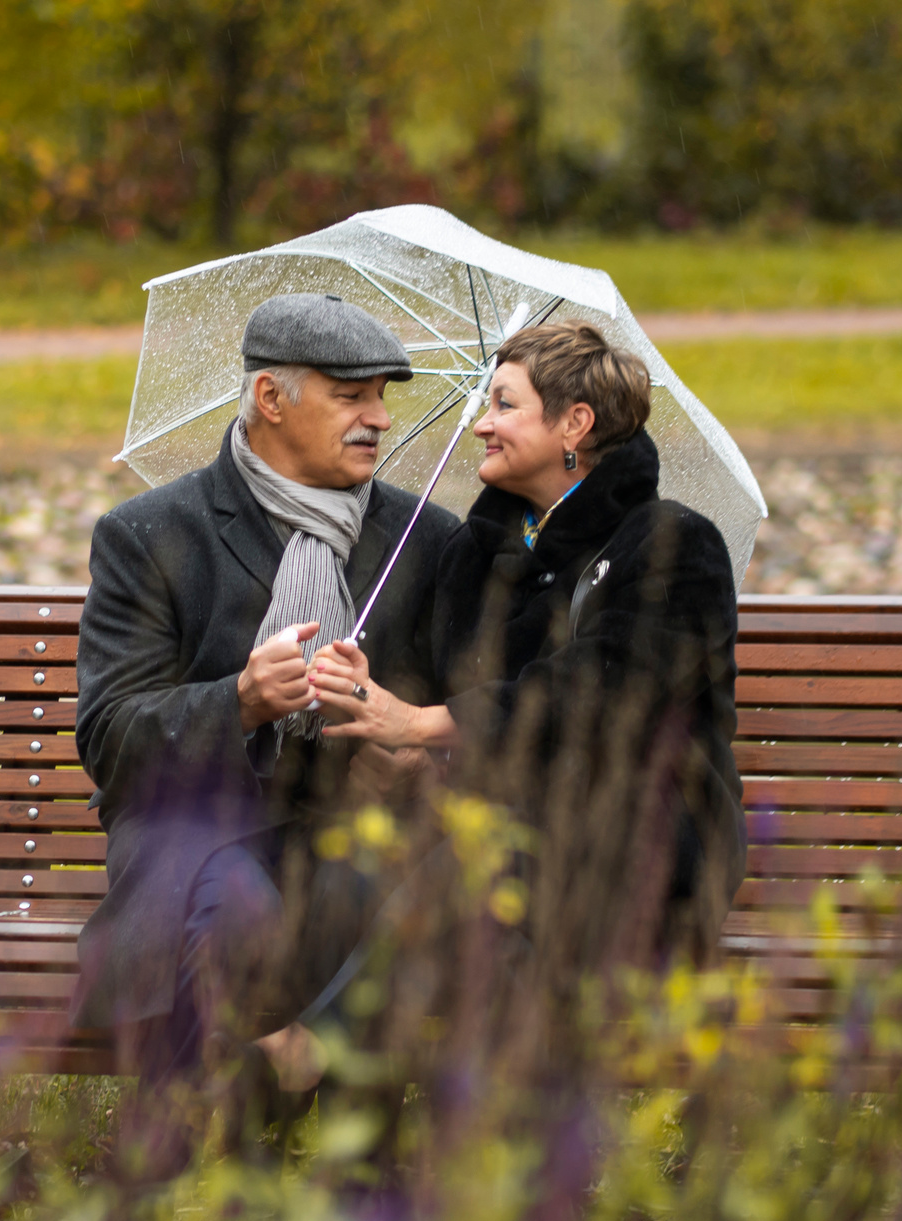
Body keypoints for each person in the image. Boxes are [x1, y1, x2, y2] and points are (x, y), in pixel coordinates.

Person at [71, 293, 460, 1113]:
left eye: (384, 396)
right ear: (270, 399)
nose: (379, 419)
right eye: (352, 396)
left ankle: (321, 1153)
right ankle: (208, 1139)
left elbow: (466, 711)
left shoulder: (425, 541)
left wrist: (407, 749)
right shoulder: (151, 534)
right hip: (197, 827)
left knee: (375, 891)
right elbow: (110, 738)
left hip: (352, 833)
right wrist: (238, 701)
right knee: (232, 905)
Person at [308, 319, 743, 992]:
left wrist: (422, 722)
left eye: (505, 404)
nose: (483, 424)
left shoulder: (670, 544)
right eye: (487, 404)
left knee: (488, 891)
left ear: (575, 424)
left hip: (640, 846)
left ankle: (305, 1054)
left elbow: (595, 692)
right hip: (487, 836)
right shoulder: (476, 550)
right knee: (355, 884)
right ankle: (338, 1081)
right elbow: (430, 678)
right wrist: (374, 703)